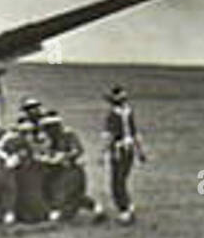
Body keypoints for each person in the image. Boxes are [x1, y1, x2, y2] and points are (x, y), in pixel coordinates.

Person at [38, 110, 98, 221]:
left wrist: (64, 156)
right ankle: (96, 209)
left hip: (72, 170)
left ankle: (57, 213)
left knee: (68, 194)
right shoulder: (49, 138)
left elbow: (77, 150)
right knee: (60, 191)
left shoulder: (68, 134)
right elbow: (46, 152)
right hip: (58, 170)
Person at [103, 86, 145, 224]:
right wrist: (140, 151)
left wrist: (103, 152)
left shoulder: (112, 115)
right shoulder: (129, 112)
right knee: (122, 179)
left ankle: (125, 209)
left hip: (118, 150)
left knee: (117, 182)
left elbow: (109, 136)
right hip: (129, 149)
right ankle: (128, 207)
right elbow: (135, 133)